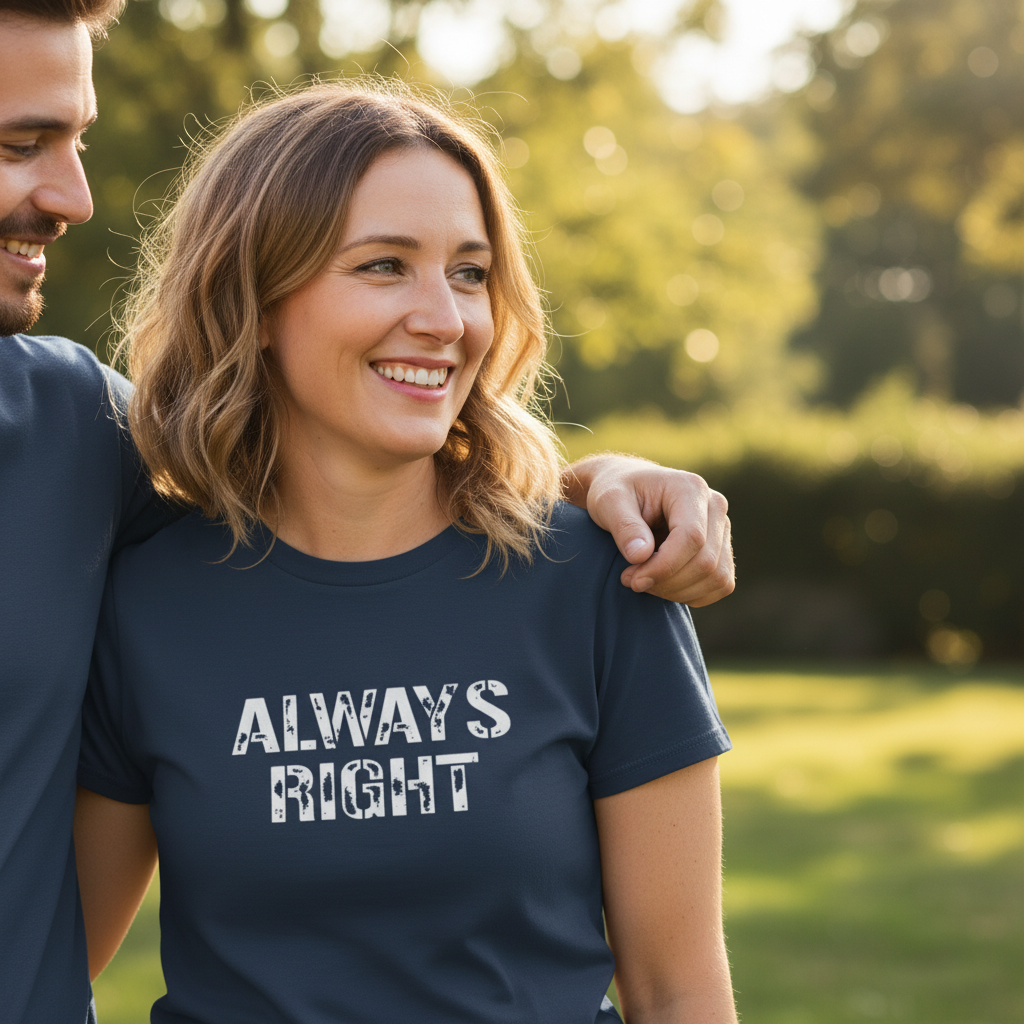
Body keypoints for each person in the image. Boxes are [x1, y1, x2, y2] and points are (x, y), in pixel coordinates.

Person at [1, 2, 734, 1021]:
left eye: (470, 273)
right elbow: (54, 940)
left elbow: (680, 990)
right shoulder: (144, 594)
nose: (443, 317)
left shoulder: (603, 581)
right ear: (253, 301)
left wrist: (604, 482)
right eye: (384, 264)